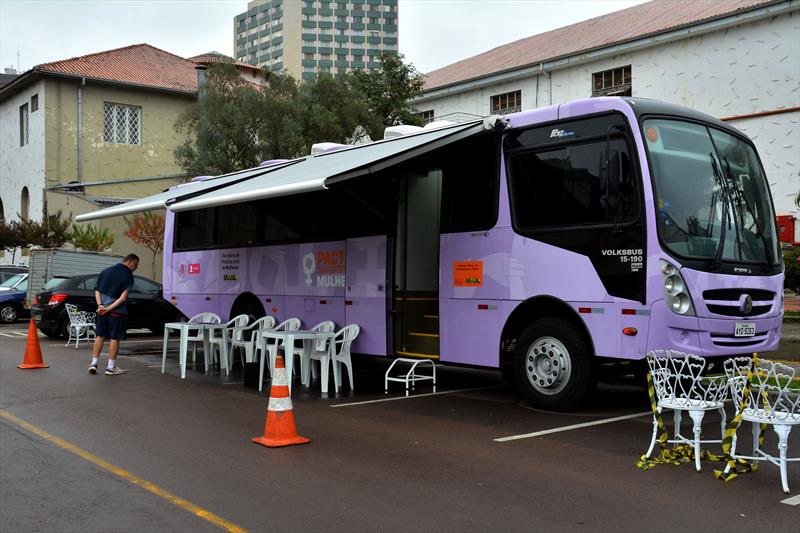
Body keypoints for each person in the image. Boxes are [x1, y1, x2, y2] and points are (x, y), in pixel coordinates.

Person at [88, 254, 139, 375]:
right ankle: (111, 367)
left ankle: (94, 363)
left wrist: (101, 306)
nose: (136, 267)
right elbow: (123, 297)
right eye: (136, 264)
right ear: (130, 262)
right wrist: (109, 308)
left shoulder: (106, 271)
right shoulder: (127, 274)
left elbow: (97, 290)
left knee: (99, 336)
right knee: (114, 338)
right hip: (117, 312)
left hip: (102, 311)